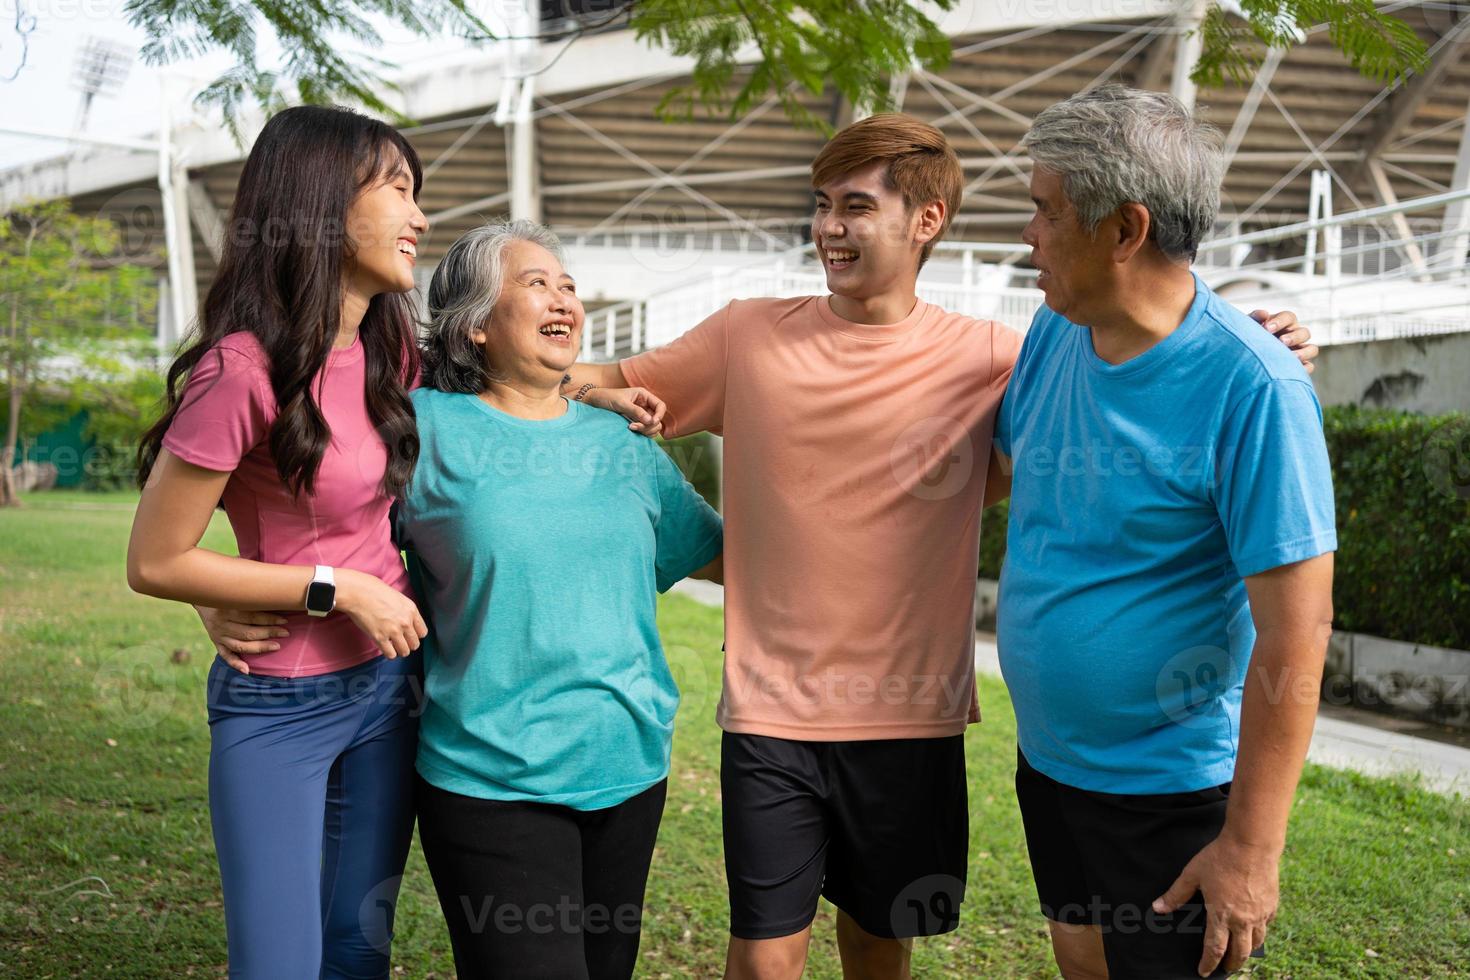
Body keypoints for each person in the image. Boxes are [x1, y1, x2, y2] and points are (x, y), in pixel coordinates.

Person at [560, 111, 1316, 979]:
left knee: (883, 940)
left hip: (962, 733)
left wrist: (1263, 344)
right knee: (776, 957)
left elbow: (1150, 353)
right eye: (821, 205)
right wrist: (512, 371)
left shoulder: (1011, 358)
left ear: (926, 222)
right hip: (851, 730)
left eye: (854, 205)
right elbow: (601, 385)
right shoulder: (768, 337)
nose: (828, 228)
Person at [126, 106, 661, 978]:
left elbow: (508, 374)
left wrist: (591, 396)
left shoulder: (388, 356)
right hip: (281, 705)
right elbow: (154, 560)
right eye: (399, 191)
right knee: (280, 963)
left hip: (390, 694)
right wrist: (324, 589)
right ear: (322, 203)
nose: (419, 217)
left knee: (356, 946)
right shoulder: (241, 370)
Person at [990, 85, 1337, 979]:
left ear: (1124, 229)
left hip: (1172, 795)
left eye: (1044, 209)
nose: (1026, 234)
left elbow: (1298, 637)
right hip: (1053, 768)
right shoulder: (1054, 334)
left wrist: (1251, 852)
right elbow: (1000, 474)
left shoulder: (1255, 387)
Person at [395, 220, 724, 979]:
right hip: (489, 776)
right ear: (475, 323)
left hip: (629, 765)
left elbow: (722, 558)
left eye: (568, 285)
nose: (562, 298)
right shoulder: (420, 428)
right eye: (535, 282)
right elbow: (325, 525)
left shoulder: (625, 445)